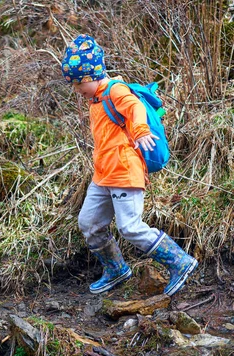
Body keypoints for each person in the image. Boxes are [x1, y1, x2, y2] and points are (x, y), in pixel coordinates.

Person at [61, 34, 197, 296]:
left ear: (90, 76)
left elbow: (134, 107)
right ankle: (116, 269)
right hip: (103, 174)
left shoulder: (115, 89)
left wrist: (142, 131)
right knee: (89, 223)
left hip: (124, 171)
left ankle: (181, 262)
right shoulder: (95, 100)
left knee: (130, 228)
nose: (76, 89)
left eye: (78, 83)